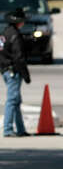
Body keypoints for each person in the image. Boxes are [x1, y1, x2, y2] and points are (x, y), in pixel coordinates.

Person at [1, 8, 30, 137]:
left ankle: (20, 128)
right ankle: (7, 128)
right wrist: (25, 74)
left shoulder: (4, 33)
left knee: (16, 100)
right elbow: (19, 57)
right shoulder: (15, 36)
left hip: (5, 69)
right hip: (13, 70)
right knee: (12, 100)